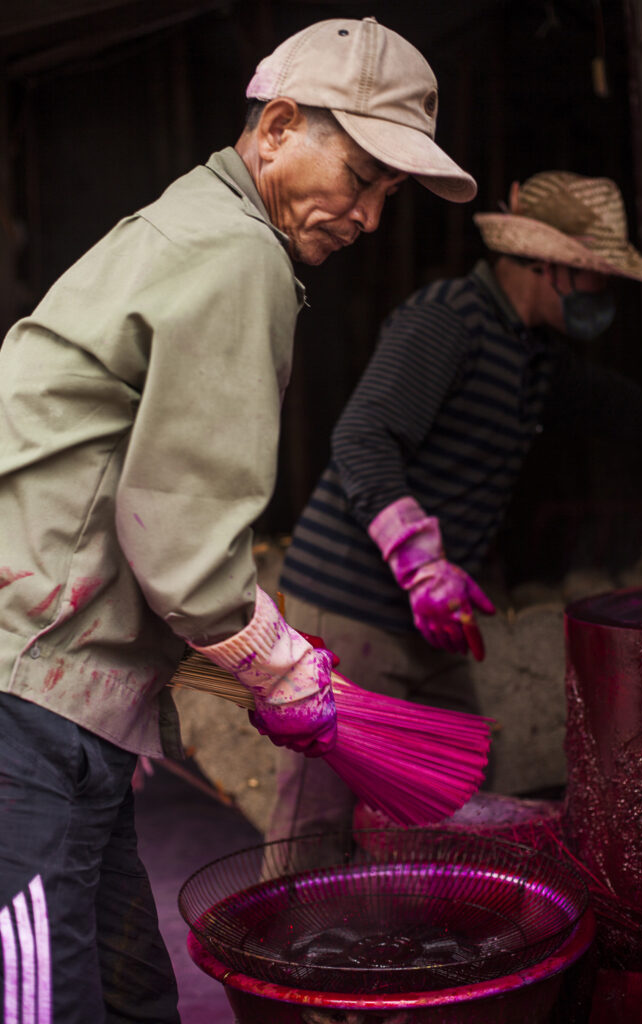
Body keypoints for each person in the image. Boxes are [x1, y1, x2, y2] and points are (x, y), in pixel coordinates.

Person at [0, 16, 477, 1021]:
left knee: (128, 992)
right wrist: (285, 668)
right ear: (278, 128)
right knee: (40, 998)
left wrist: (135, 703)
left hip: (59, 692)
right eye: (362, 174)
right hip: (23, 697)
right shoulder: (235, 253)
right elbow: (179, 543)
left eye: (388, 193)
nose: (371, 216)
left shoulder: (185, 226)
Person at [271, 169, 642, 847]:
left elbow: (609, 402)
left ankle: (420, 938)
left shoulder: (528, 352)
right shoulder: (449, 319)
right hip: (353, 605)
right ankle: (288, 947)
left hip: (430, 614)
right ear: (550, 265)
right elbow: (363, 435)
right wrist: (418, 560)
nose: (599, 298)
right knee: (317, 811)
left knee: (456, 785)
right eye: (595, 278)